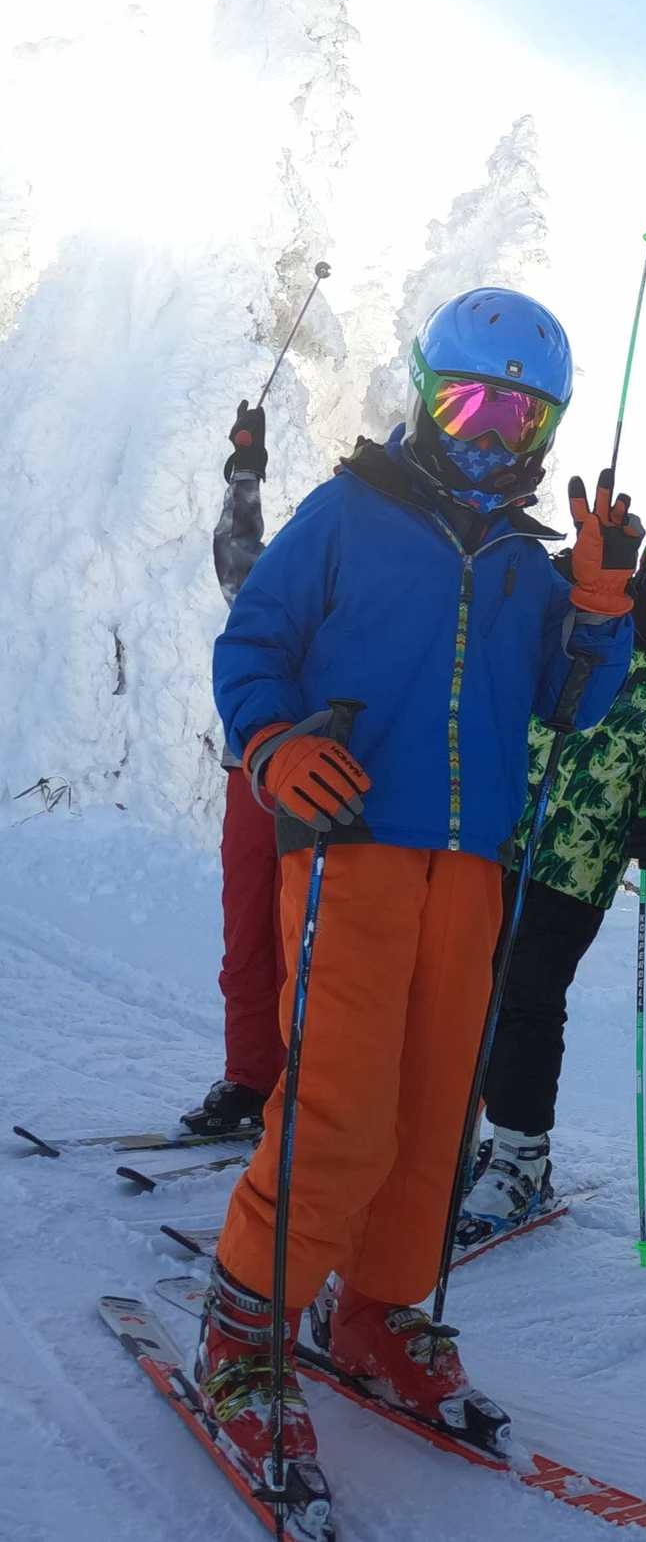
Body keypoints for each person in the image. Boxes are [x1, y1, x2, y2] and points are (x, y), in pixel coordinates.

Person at [196, 287, 636, 1501]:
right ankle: (243, 1331)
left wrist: (600, 607)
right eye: (470, 402)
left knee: (438, 1108)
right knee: (338, 1105)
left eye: (518, 415)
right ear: (424, 393)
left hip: (476, 866)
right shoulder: (348, 514)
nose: (492, 434)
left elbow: (576, 705)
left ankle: (379, 1314)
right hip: (353, 844)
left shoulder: (529, 565)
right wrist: (272, 743)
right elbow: (251, 646)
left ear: (547, 431)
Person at [459, 524, 646, 1235]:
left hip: (573, 872)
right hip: (499, 841)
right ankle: (449, 1136)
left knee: (525, 1002)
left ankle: (521, 1158)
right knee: (459, 989)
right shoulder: (584, 633)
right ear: (643, 575)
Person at [181, 398, 285, 1139]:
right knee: (247, 933)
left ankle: (310, 1088)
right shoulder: (272, 585)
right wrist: (245, 468)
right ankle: (252, 1078)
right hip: (251, 775)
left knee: (308, 942)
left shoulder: (372, 592)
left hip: (333, 785)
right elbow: (234, 542)